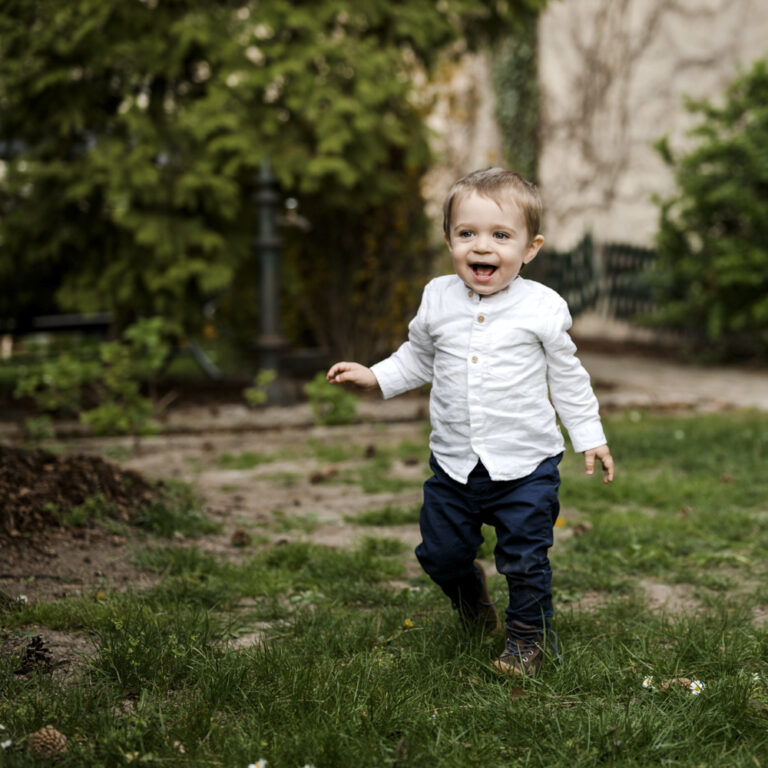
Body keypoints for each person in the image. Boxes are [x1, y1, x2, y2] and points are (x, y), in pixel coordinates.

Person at [326, 167, 614, 676]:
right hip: (455, 465)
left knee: (525, 562)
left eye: (501, 236)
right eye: (467, 234)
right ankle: (473, 603)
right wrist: (374, 375)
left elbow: (567, 377)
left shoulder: (543, 307)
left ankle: (527, 641)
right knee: (439, 553)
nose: (482, 247)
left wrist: (589, 436)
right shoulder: (437, 297)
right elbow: (418, 357)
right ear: (449, 241)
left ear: (530, 248)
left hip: (526, 467)